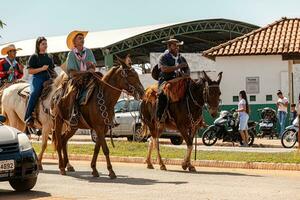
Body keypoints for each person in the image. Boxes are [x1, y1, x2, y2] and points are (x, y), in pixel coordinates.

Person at [59, 30, 96, 124]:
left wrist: (91, 68)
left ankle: (108, 115)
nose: (82, 40)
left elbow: (93, 66)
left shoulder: (88, 51)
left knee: (102, 87)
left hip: (89, 77)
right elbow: (72, 73)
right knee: (73, 92)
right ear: (74, 42)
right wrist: (86, 71)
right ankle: (73, 113)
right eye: (80, 38)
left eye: (83, 38)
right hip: (77, 79)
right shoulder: (71, 54)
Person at [24, 37, 57, 127]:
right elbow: (30, 71)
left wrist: (57, 77)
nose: (45, 45)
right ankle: (28, 116)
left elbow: (52, 69)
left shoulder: (49, 56)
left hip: (48, 78)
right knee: (34, 93)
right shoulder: (34, 56)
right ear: (38, 45)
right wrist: (42, 68)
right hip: (37, 78)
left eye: (46, 43)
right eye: (43, 44)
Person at [156, 38, 190, 122]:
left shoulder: (181, 58)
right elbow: (164, 69)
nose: (177, 47)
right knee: (162, 95)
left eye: (177, 45)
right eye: (174, 45)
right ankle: (160, 116)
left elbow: (187, 69)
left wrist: (186, 74)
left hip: (180, 79)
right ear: (169, 46)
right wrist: (178, 67)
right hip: (166, 80)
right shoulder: (163, 57)